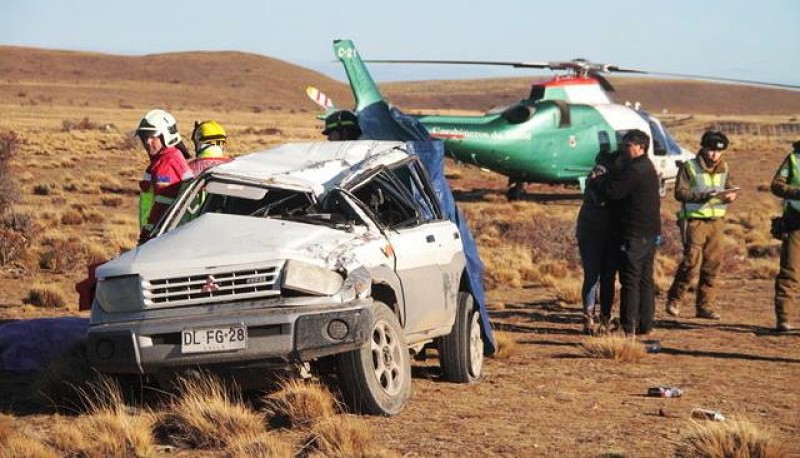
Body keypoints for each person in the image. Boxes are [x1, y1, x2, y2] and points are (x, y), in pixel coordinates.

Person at [665, 131, 738, 320]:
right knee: (691, 263)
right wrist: (704, 196)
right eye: (711, 150)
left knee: (712, 265)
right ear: (703, 148)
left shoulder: (724, 167)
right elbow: (680, 193)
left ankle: (705, 306)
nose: (714, 155)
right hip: (695, 220)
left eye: (718, 152)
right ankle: (675, 299)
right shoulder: (689, 167)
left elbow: (729, 185)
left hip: (717, 222)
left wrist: (731, 195)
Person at [601, 129, 661, 336]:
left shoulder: (635, 170)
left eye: (627, 146)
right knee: (645, 278)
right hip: (648, 233)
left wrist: (602, 177)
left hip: (633, 233)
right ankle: (645, 323)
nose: (623, 149)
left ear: (640, 147)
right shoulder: (646, 166)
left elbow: (612, 192)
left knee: (630, 280)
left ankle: (629, 326)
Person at [576, 148, 621, 334]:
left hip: (592, 230)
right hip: (599, 231)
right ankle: (599, 318)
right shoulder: (604, 175)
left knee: (595, 277)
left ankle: (591, 318)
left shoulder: (599, 175)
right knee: (600, 277)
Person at [135, 109, 194, 244]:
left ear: (165, 135)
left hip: (160, 238)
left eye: (152, 136)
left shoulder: (166, 165)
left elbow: (163, 205)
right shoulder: (169, 158)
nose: (147, 142)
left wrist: (146, 236)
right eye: (144, 136)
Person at [770, 139, 800, 332]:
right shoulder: (793, 160)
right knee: (790, 272)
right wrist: (797, 192)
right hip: (796, 222)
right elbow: (777, 185)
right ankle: (784, 318)